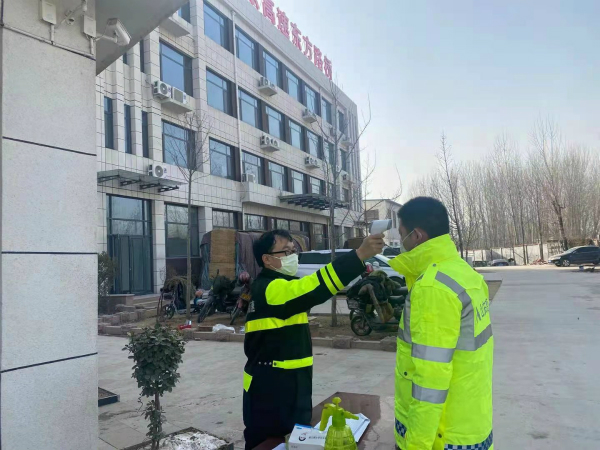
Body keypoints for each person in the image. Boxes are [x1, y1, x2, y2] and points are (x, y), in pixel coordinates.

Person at [242, 230, 385, 449]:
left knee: (293, 439)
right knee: (271, 442)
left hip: (287, 383)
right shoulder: (270, 288)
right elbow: (315, 286)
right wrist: (358, 255)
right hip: (272, 389)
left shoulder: (279, 284)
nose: (293, 256)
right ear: (267, 259)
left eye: (294, 251)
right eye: (286, 252)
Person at [388, 197, 493, 450]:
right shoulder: (463, 272)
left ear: (417, 236)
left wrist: (416, 444)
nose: (401, 242)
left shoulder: (433, 287)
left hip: (440, 434)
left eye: (402, 234)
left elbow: (430, 379)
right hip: (470, 422)